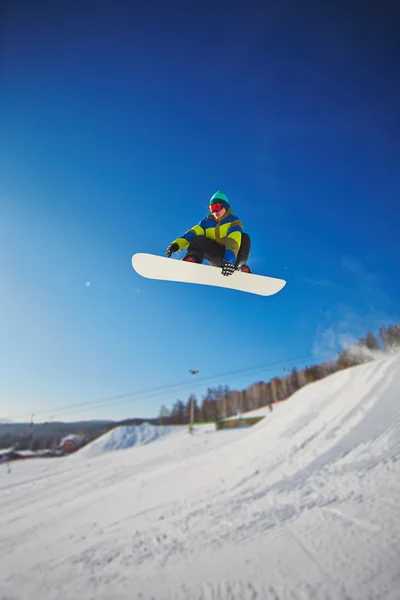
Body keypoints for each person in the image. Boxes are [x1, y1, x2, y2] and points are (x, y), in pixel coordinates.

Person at [166, 191, 251, 276]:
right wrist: (177, 244)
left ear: (226, 207)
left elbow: (233, 241)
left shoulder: (234, 221)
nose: (215, 211)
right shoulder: (207, 222)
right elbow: (192, 233)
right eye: (212, 208)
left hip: (231, 261)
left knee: (244, 237)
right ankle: (193, 258)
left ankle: (240, 267)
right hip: (216, 255)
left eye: (217, 207)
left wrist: (229, 261)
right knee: (199, 238)